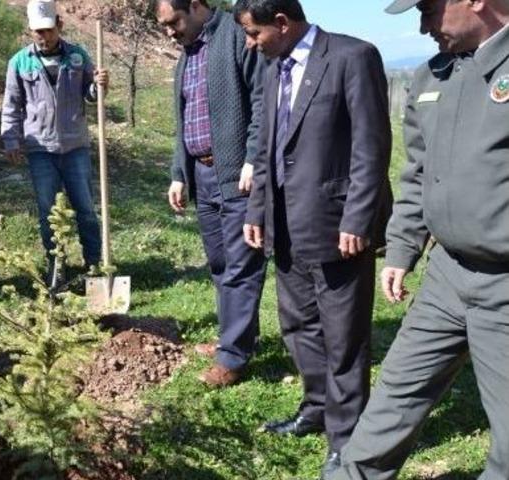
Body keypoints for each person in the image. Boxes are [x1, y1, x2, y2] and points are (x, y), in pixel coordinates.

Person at [334, 1, 509, 478]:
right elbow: (417, 176)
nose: (423, 25)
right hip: (447, 279)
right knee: (392, 402)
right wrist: (403, 249)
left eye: (430, 9)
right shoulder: (432, 77)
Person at [233, 0, 393, 476]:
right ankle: (317, 407)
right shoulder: (272, 68)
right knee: (298, 325)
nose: (249, 43)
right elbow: (266, 148)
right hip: (284, 225)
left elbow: (372, 143)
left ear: (281, 23)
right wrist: (257, 208)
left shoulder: (351, 56)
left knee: (344, 338)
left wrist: (358, 219)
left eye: (253, 33)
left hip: (337, 225)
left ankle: (346, 438)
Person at [155, 0, 267, 388]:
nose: (170, 31)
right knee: (220, 263)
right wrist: (178, 173)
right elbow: (184, 119)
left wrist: (254, 157)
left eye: (174, 21)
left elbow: (261, 100)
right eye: (165, 25)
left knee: (241, 266)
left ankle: (233, 357)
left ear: (198, 6)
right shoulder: (187, 56)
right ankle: (232, 339)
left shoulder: (237, 35)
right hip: (202, 175)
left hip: (237, 175)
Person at [0, 0, 108, 284]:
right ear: (31, 30)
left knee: (85, 208)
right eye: (38, 32)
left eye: (48, 30)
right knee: (48, 211)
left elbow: (91, 96)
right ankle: (56, 265)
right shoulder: (19, 62)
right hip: (40, 150)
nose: (43, 37)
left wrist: (99, 86)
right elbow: (11, 104)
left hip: (75, 147)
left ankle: (93, 263)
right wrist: (11, 139)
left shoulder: (78, 57)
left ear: (59, 25)